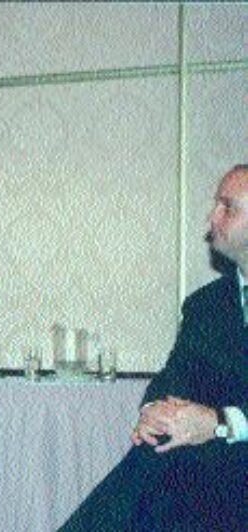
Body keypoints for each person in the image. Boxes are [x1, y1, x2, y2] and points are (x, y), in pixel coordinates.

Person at [61, 164, 248, 531]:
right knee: (159, 449)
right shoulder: (206, 305)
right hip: (221, 474)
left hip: (228, 464)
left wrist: (221, 422)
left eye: (228, 207)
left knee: (162, 467)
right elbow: (175, 375)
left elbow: (217, 421)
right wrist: (154, 410)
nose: (212, 216)